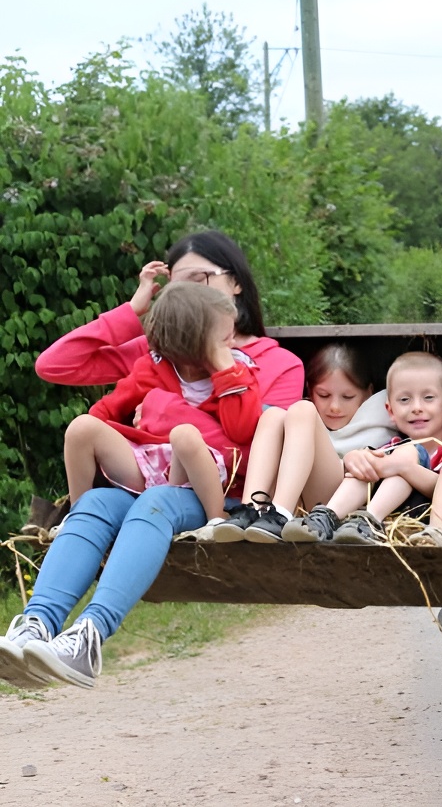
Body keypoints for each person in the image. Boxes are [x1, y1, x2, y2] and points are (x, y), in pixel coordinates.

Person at [0, 231, 303, 691]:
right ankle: (36, 625)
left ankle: (90, 636)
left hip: (214, 489)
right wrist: (135, 310)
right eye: (181, 283)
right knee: (99, 505)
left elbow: (255, 438)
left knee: (156, 501)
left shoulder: (269, 362)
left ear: (235, 284)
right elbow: (54, 365)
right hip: (145, 474)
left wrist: (168, 409)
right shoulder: (157, 354)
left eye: (203, 278)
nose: (194, 292)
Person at [63, 283, 261, 525]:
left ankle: (216, 520)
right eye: (224, 339)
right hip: (150, 466)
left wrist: (226, 372)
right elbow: (105, 412)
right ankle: (78, 514)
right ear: (194, 344)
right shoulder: (151, 369)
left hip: (203, 475)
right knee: (82, 427)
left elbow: (241, 430)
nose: (232, 344)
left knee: (185, 436)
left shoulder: (238, 374)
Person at [291, 352, 442, 545]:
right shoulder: (391, 447)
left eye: (428, 398)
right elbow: (367, 472)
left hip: (434, 522)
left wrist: (404, 468)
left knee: (403, 457)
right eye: (404, 400)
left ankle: (372, 519)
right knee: (383, 458)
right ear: (390, 411)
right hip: (394, 518)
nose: (416, 407)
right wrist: (353, 460)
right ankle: (329, 516)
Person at [211, 343, 394, 542]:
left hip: (333, 504)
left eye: (347, 397)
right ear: (310, 389)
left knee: (302, 409)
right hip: (299, 495)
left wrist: (353, 459)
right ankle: (250, 509)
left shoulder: (379, 420)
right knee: (273, 415)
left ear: (368, 392)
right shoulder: (301, 422)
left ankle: (281, 513)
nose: (334, 407)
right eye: (323, 395)